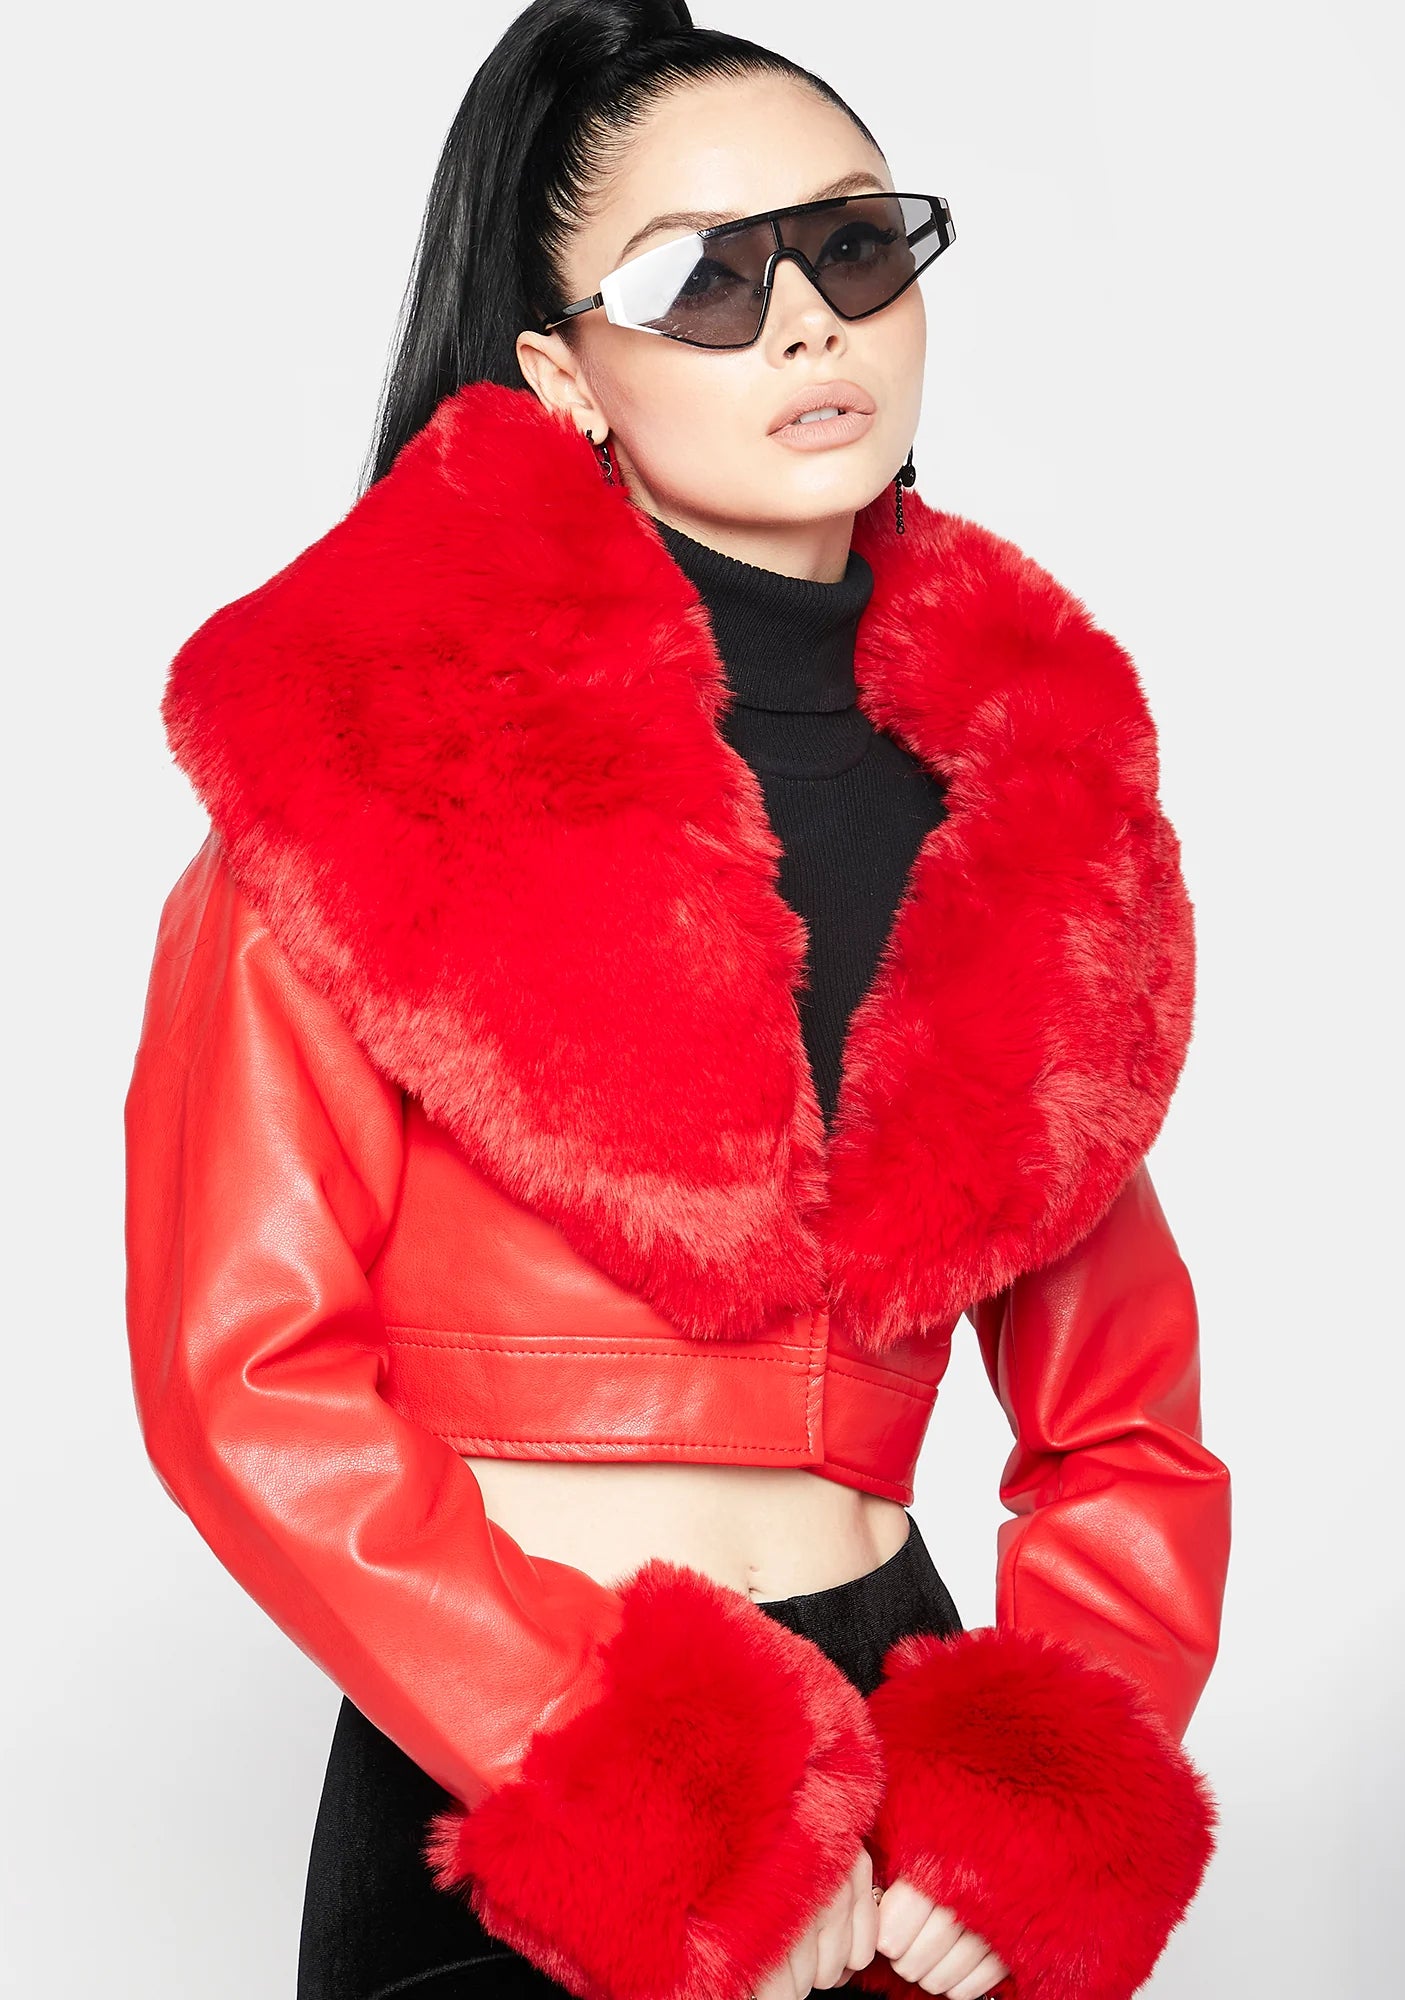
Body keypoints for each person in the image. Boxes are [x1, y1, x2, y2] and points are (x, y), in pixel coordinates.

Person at [124, 5, 1232, 1999]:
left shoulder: (1036, 813)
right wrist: (638, 1794)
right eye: (704, 279)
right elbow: (242, 1376)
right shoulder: (364, 761)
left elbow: (1124, 1420)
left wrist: (1046, 1788)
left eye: (852, 246)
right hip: (526, 1758)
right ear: (562, 369)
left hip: (903, 1799)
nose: (804, 322)